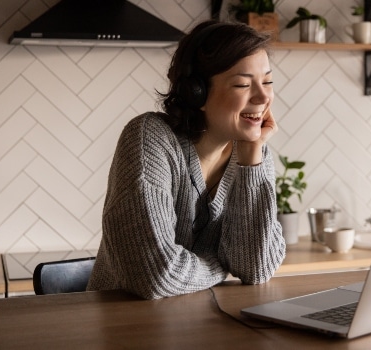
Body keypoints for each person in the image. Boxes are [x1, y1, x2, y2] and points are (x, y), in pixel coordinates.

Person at [86, 20, 286, 299]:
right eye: (242, 84)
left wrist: (252, 160)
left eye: (267, 81)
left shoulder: (255, 155)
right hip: (124, 328)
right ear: (197, 93)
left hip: (201, 327)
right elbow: (156, 275)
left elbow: (256, 269)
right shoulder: (150, 138)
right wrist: (220, 264)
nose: (263, 97)